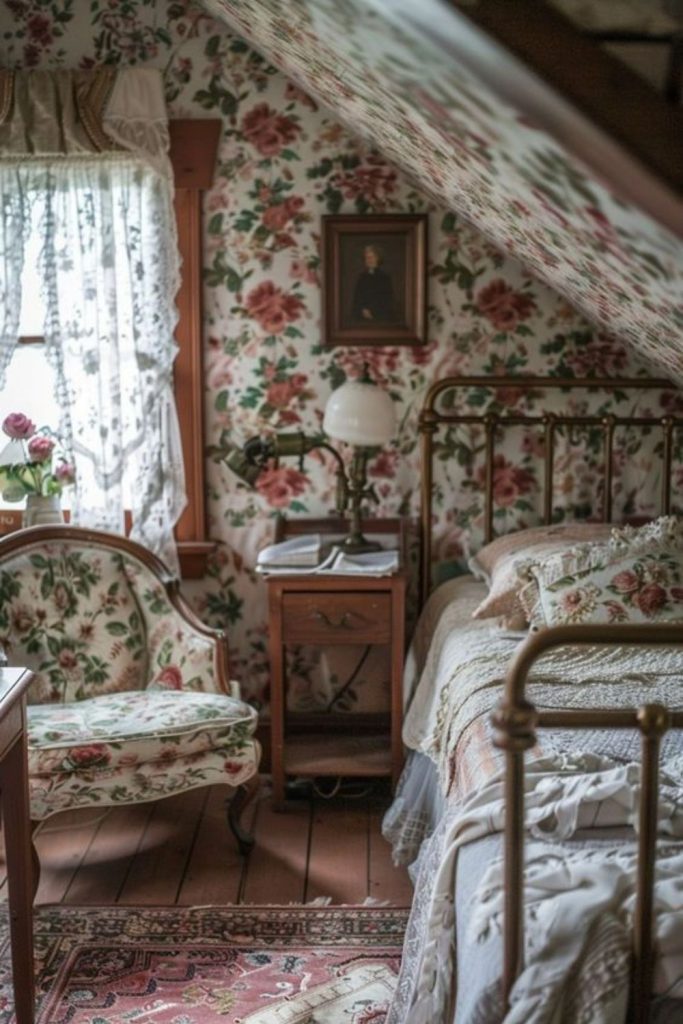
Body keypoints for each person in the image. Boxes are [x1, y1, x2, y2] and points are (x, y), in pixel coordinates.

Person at [351, 244, 395, 323]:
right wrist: (363, 309)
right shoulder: (361, 277)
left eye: (371, 257)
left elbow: (387, 300)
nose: (369, 260)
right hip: (362, 317)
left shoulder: (385, 278)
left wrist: (373, 312)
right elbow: (357, 299)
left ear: (378, 258)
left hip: (381, 317)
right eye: (367, 258)